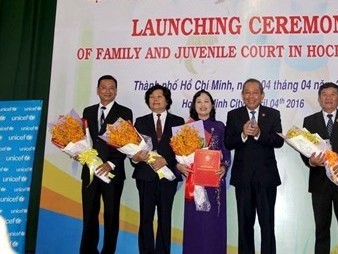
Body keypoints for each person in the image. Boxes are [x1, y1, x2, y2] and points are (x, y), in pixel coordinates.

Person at [300, 82, 338, 254]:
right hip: (320, 184)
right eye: (324, 94)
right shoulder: (309, 121)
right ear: (319, 99)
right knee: (321, 231)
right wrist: (312, 162)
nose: (328, 98)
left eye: (332, 94)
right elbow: (304, 149)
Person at [224, 78, 284, 254]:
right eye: (247, 92)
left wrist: (259, 133)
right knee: (244, 226)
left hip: (266, 178)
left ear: (262, 95)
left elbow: (279, 141)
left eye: (255, 92)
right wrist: (243, 134)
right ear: (242, 95)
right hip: (243, 178)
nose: (251, 96)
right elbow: (228, 143)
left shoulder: (273, 114)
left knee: (267, 225)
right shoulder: (233, 115)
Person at [80, 75, 133, 254]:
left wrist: (111, 163)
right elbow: (83, 140)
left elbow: (127, 143)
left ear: (116, 91)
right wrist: (78, 154)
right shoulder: (87, 111)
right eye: (104, 87)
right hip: (90, 172)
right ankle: (88, 250)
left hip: (112, 172)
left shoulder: (125, 112)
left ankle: (108, 251)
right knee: (89, 215)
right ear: (98, 90)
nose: (107, 91)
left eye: (111, 88)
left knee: (111, 216)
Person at [131, 84, 184, 254]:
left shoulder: (178, 122)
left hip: (167, 178)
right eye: (152, 97)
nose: (155, 99)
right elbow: (132, 150)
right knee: (145, 219)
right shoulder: (140, 121)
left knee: (164, 219)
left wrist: (166, 160)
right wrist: (135, 158)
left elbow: (182, 152)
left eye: (159, 96)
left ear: (167, 100)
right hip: (145, 177)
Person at [176, 90, 231, 254]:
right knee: (195, 223)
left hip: (215, 183)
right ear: (194, 105)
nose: (203, 105)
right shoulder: (187, 127)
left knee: (214, 224)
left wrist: (224, 167)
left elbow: (226, 153)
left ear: (212, 105)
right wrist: (178, 165)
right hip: (194, 183)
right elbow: (178, 153)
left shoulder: (220, 127)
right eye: (199, 101)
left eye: (206, 101)